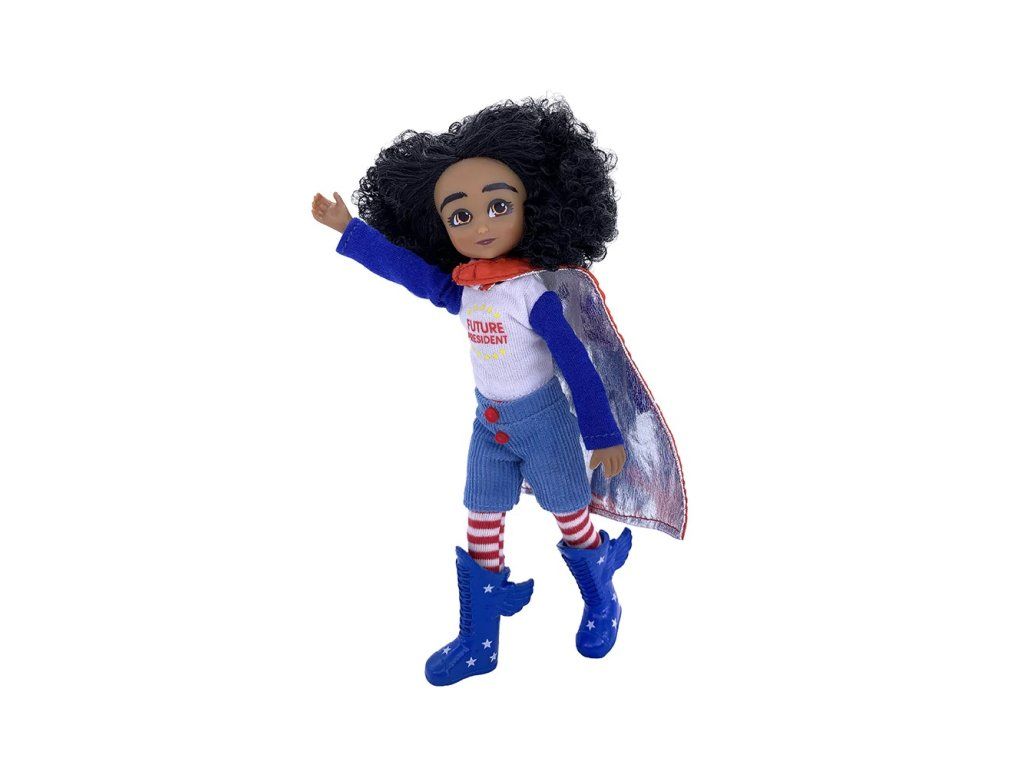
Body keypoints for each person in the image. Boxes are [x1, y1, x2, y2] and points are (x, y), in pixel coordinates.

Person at [311, 98, 686, 686]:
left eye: (499, 206)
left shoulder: (532, 294)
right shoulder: (466, 288)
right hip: (489, 424)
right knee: (481, 515)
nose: (481, 226)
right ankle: (479, 640)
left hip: (545, 425)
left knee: (569, 515)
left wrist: (602, 434)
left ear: (531, 208)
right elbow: (409, 272)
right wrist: (349, 230)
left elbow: (577, 364)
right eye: (460, 216)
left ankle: (601, 588)